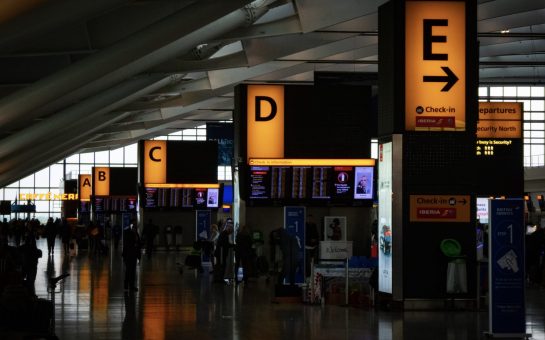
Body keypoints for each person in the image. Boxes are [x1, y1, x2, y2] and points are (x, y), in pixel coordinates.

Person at [122, 222, 141, 292]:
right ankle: (131, 286)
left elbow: (138, 244)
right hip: (130, 255)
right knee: (131, 271)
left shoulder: (133, 234)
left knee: (129, 271)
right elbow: (133, 244)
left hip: (130, 255)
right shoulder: (131, 234)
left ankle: (127, 285)